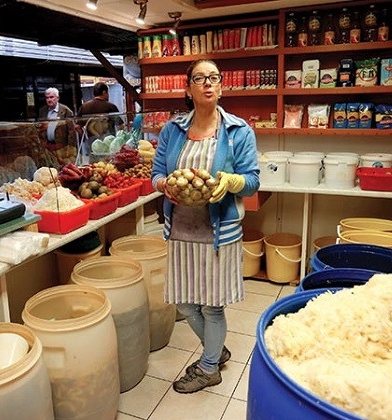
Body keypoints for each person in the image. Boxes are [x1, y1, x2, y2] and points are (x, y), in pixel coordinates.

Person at [151, 59, 260, 394]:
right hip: (181, 231)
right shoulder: (173, 129)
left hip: (219, 232)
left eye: (214, 78)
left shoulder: (238, 131)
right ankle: (217, 348)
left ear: (221, 86)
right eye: (199, 78)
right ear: (189, 89)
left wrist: (233, 180)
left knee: (212, 305)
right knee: (184, 303)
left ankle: (210, 366)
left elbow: (253, 181)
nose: (207, 83)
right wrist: (163, 186)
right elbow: (156, 172)